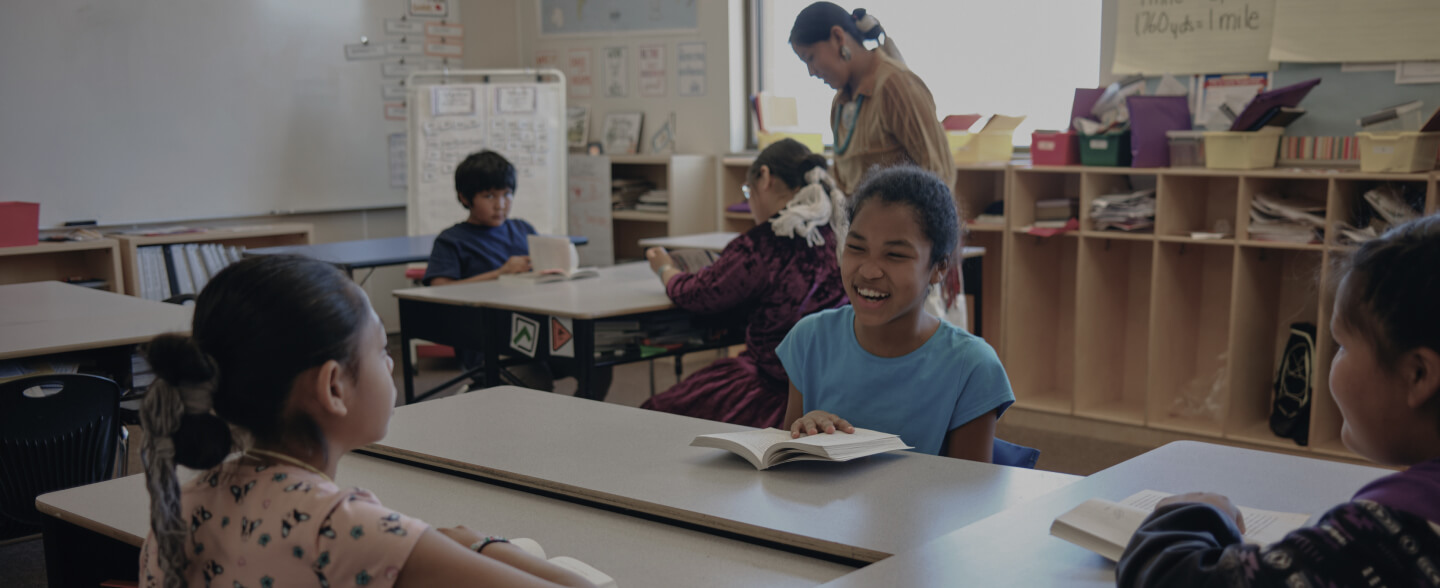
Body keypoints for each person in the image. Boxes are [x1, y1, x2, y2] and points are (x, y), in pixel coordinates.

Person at [138, 255, 593, 588]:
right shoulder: (344, 529)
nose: (391, 365)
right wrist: (481, 543)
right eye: (380, 349)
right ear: (334, 388)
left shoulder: (178, 502)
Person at [1116, 215, 1440, 587]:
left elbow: (1168, 578)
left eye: (1342, 345)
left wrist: (1194, 514)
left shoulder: (1394, 531)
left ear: (1418, 375)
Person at [776, 166, 1013, 461]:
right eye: (856, 248)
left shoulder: (972, 367)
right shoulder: (810, 339)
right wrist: (807, 429)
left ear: (939, 268)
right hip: (822, 505)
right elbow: (787, 469)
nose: (869, 270)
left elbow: (970, 495)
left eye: (896, 255)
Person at [640, 138, 848, 428]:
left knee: (653, 416)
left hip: (773, 389)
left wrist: (665, 269)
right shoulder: (837, 233)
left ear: (764, 177)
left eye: (748, 191)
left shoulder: (761, 243)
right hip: (836, 387)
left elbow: (697, 294)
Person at [791, 2, 968, 329]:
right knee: (875, 342)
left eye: (811, 58)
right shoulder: (840, 103)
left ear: (837, 37)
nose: (811, 72)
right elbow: (845, 183)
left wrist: (928, 251)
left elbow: (939, 171)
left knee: (921, 346)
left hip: (909, 250)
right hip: (864, 249)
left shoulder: (896, 85)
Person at [422, 149, 610, 394]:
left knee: (598, 362)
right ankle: (479, 389)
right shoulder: (452, 240)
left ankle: (581, 425)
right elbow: (438, 291)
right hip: (489, 340)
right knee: (534, 379)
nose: (501, 205)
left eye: (507, 194)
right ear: (465, 198)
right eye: (489, 196)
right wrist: (500, 273)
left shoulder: (522, 229)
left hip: (539, 332)